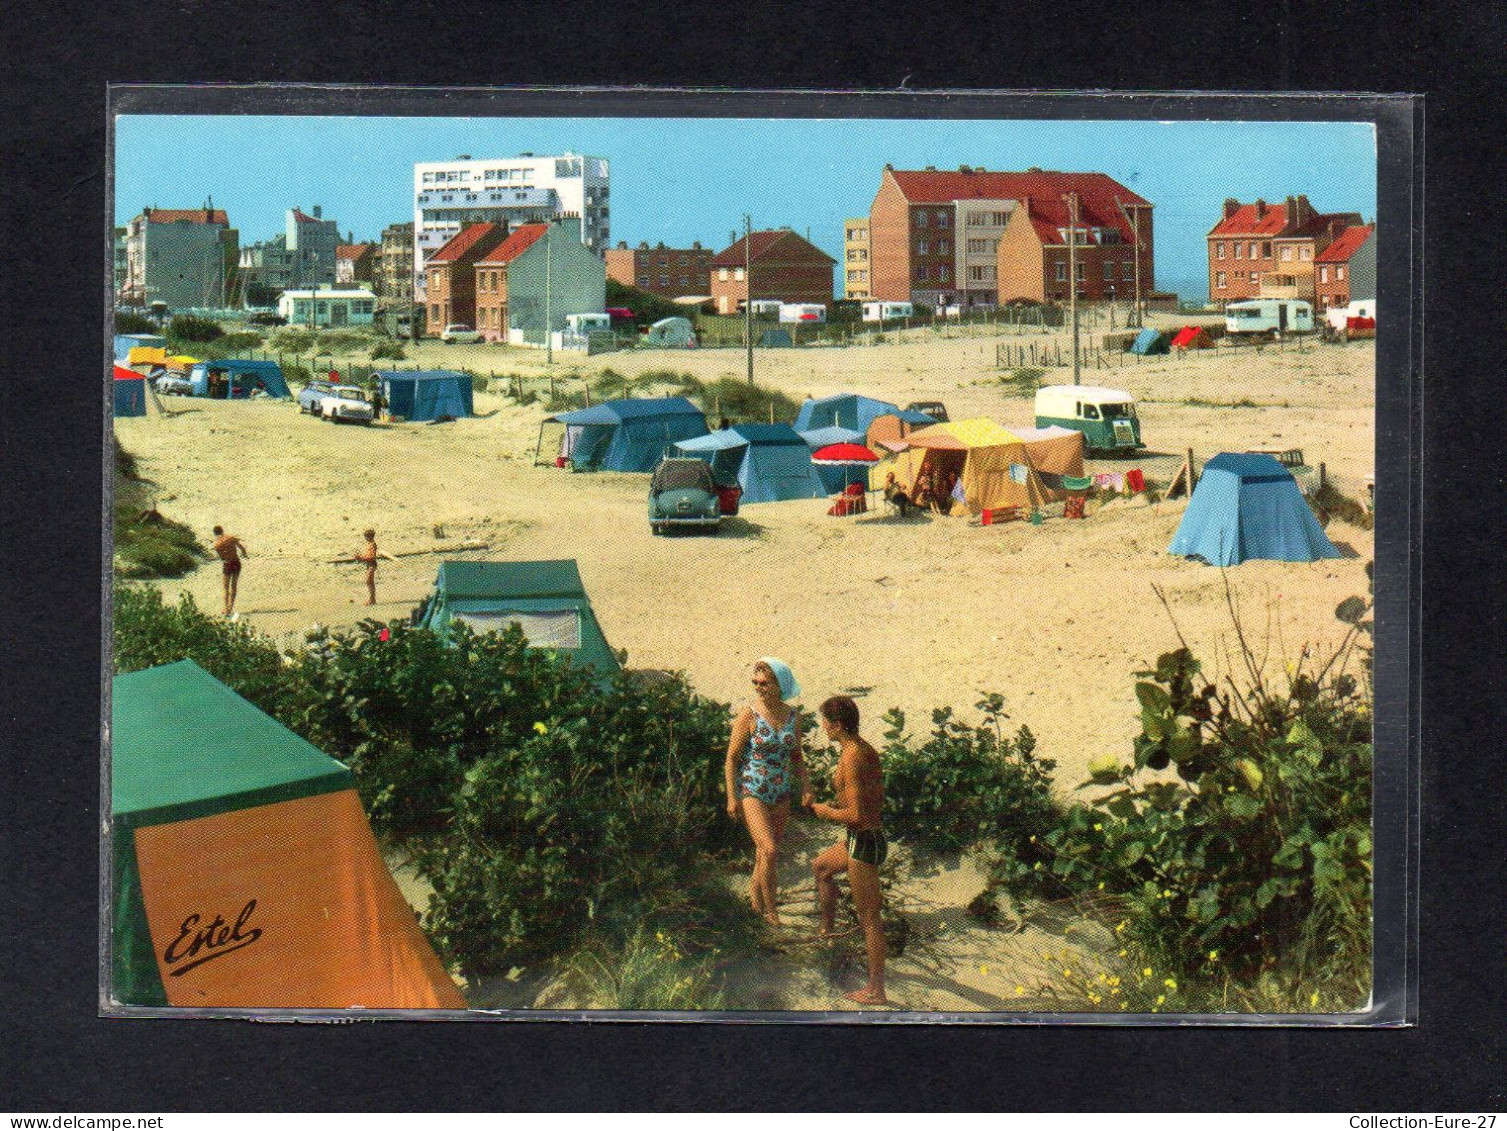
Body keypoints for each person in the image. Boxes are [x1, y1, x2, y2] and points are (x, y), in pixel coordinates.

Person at [809, 695, 888, 1005]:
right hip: (864, 837)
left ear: (837, 725)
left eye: (825, 723)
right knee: (821, 867)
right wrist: (832, 805)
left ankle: (876, 990)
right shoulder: (860, 749)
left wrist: (826, 812)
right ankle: (826, 932)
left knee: (870, 918)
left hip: (864, 841)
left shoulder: (853, 756)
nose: (823, 728)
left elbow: (856, 814)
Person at [724, 658, 811, 926]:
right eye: (755, 683)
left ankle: (754, 897)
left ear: (779, 684)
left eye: (765, 683)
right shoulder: (748, 715)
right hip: (753, 789)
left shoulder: (793, 716)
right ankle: (770, 910)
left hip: (781, 791)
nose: (759, 688)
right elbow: (732, 758)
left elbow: (796, 757)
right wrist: (732, 796)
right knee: (770, 850)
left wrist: (806, 787)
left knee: (764, 853)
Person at [211, 525, 248, 617]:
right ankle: (230, 607)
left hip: (227, 564)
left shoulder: (216, 545)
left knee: (225, 587)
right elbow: (242, 548)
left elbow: (222, 557)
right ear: (222, 531)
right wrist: (244, 555)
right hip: (236, 563)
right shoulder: (231, 538)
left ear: (215, 534)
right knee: (234, 585)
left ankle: (226, 609)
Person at [357, 528, 397, 606]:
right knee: (369, 581)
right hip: (370, 564)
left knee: (369, 581)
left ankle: (372, 600)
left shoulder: (372, 544)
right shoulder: (370, 544)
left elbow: (371, 556)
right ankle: (372, 599)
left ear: (369, 536)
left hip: (372, 564)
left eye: (366, 536)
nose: (365, 538)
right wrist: (361, 557)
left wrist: (361, 558)